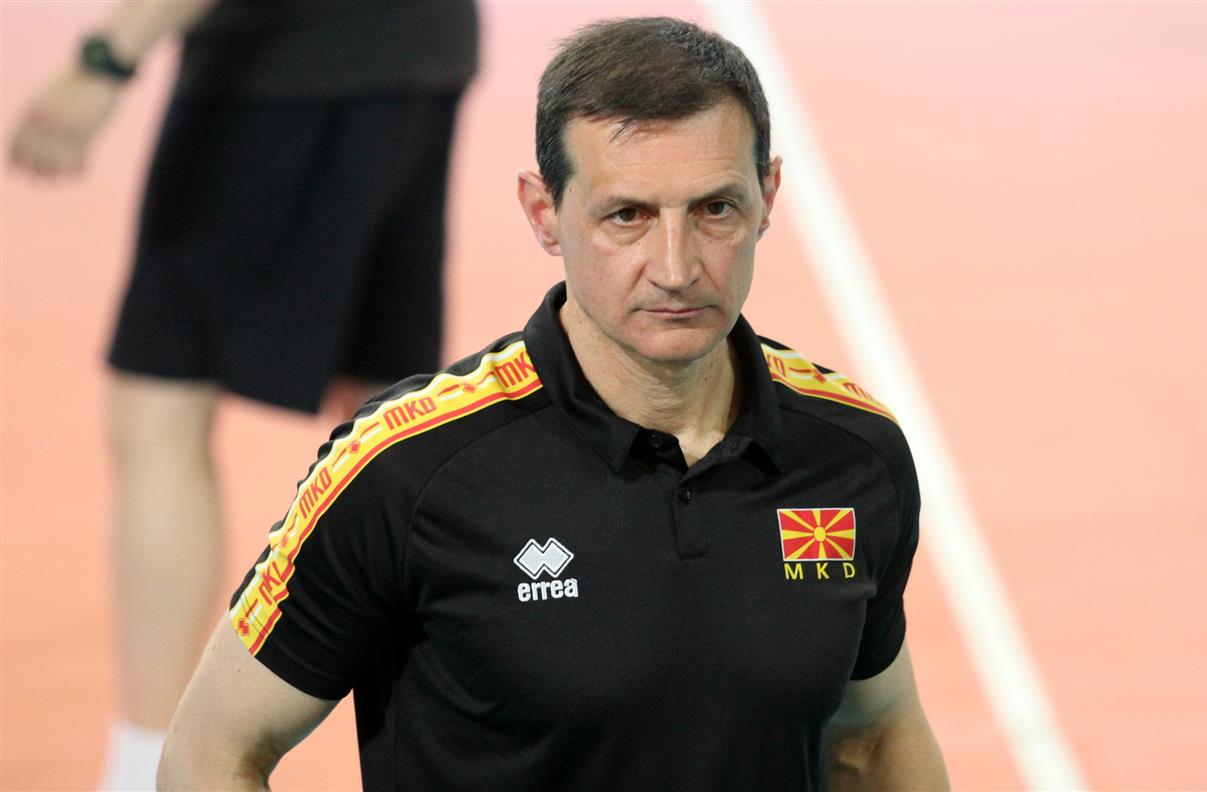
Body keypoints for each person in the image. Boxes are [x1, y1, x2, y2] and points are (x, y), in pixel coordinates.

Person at [159, 16, 948, 791]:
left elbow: (875, 736)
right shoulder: (405, 472)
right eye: (627, 216)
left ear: (767, 195)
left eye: (715, 210)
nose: (676, 268)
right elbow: (210, 752)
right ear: (544, 213)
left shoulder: (854, 455)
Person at [8, 1, 478, 788]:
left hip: (282, 62)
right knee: (395, 421)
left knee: (161, 400)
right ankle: (461, 749)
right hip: (426, 47)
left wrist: (106, 57)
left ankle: (148, 771)